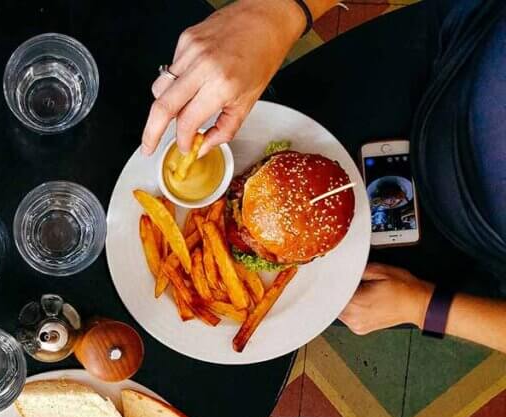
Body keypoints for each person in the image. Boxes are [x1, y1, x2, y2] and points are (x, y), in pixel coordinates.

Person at [141, 0, 506, 352]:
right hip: (442, 46)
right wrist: (281, 12)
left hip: (456, 243)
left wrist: (425, 308)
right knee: (273, 95)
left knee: (335, 299)